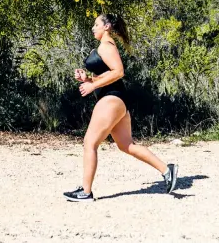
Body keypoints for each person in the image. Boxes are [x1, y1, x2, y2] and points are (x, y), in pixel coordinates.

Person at [63, 13, 179, 202]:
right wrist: (88, 79)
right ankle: (167, 170)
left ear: (107, 26)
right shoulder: (105, 46)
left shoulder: (106, 46)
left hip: (110, 100)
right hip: (117, 101)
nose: (93, 28)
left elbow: (118, 72)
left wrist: (92, 85)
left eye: (96, 24)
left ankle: (85, 192)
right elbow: (107, 75)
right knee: (127, 145)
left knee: (89, 143)